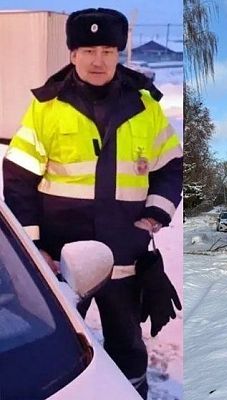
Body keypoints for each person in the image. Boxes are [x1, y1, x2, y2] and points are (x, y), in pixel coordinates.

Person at [2, 8, 182, 398]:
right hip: (61, 263)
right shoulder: (46, 108)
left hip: (125, 260)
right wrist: (35, 249)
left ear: (118, 53)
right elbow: (17, 180)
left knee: (129, 349)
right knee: (55, 352)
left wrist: (155, 215)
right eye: (87, 50)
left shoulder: (147, 108)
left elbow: (171, 167)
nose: (97, 60)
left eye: (107, 50)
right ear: (72, 54)